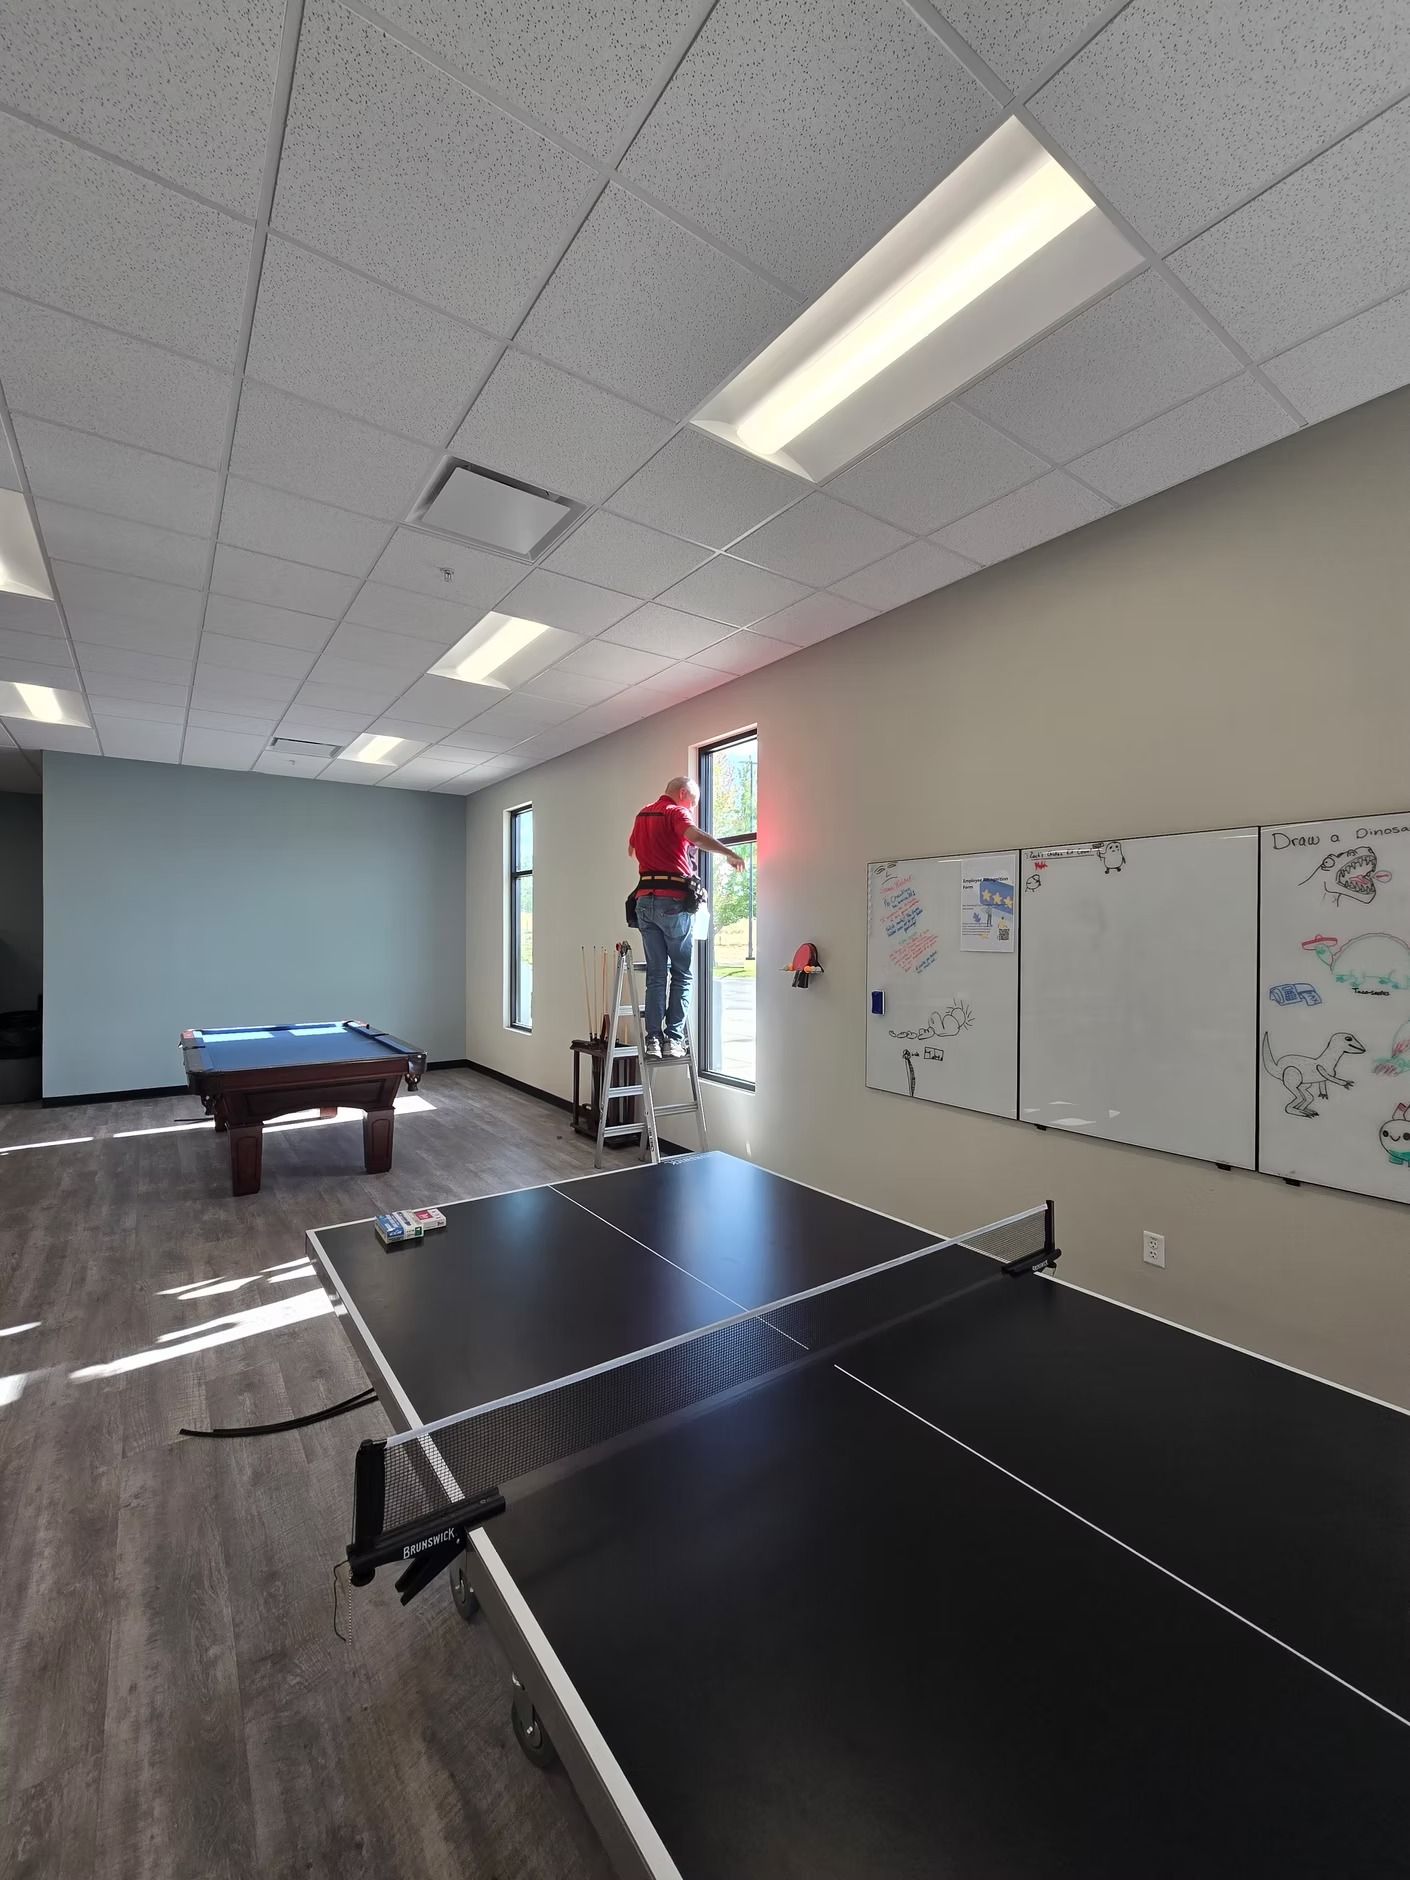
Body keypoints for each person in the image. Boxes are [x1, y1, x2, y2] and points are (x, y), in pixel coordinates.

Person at [628, 776, 745, 1059]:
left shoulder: (643, 813)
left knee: (656, 974)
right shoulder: (675, 812)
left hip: (644, 901)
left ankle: (652, 1040)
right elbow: (694, 836)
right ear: (683, 794)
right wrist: (728, 852)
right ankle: (674, 1040)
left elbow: (632, 849)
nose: (692, 809)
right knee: (681, 973)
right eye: (693, 802)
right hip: (673, 902)